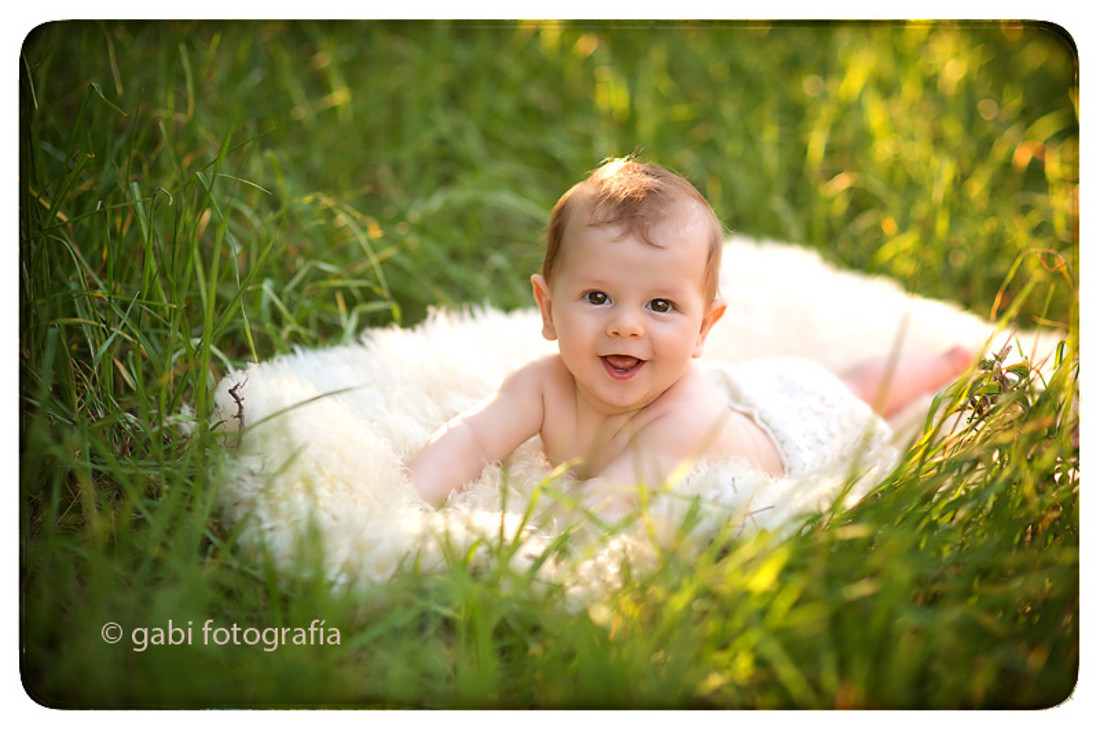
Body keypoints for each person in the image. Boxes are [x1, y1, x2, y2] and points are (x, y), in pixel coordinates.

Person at [408, 159, 970, 516]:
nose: (627, 325)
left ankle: (945, 362)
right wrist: (407, 501)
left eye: (660, 305)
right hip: (733, 392)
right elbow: (473, 437)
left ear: (703, 328)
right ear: (548, 308)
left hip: (793, 426)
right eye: (598, 297)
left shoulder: (679, 422)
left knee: (853, 390)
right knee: (847, 383)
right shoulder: (539, 384)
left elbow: (605, 506)